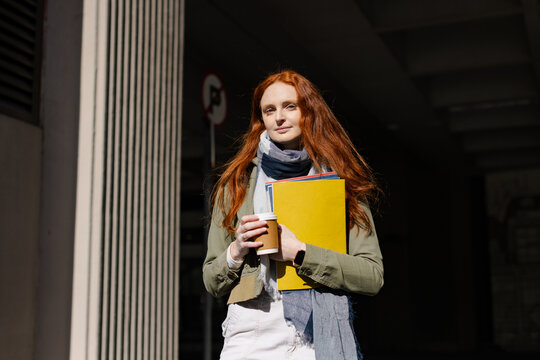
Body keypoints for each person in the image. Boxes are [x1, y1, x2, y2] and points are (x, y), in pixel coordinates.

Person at [202, 69, 384, 359]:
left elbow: (372, 276)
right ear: (261, 119)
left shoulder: (342, 184)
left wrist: (301, 253)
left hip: (315, 331)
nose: (279, 117)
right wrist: (236, 250)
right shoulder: (236, 182)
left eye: (290, 106)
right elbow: (212, 281)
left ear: (309, 111)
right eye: (269, 110)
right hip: (251, 326)